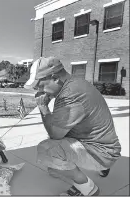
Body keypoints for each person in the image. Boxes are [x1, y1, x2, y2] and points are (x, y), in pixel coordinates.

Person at [24, 57, 121, 196]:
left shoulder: (68, 95)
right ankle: (101, 166)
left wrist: (43, 106)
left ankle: (88, 188)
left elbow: (55, 134)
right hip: (106, 146)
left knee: (46, 151)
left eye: (39, 86)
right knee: (53, 167)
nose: (38, 91)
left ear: (55, 77)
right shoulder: (76, 83)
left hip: (102, 152)